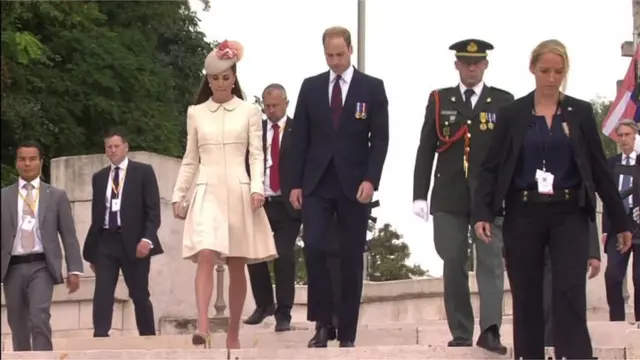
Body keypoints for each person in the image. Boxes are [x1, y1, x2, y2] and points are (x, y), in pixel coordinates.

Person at [473, 39, 633, 359]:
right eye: (544, 70)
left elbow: (600, 171)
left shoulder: (580, 112)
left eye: (558, 71)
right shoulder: (513, 114)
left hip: (569, 212)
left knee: (569, 293)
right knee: (527, 297)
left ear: (565, 73)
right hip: (523, 212)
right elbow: (490, 168)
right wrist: (483, 213)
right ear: (532, 69)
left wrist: (620, 220)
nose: (551, 78)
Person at [171, 40, 277, 349]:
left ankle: (233, 332)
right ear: (207, 79)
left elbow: (257, 155)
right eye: (214, 78)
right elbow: (190, 157)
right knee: (205, 254)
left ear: (234, 77)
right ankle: (202, 325)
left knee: (236, 263)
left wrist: (258, 188)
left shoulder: (250, 111)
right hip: (206, 190)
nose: (220, 83)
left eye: (225, 77)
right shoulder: (195, 113)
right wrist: (179, 194)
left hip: (239, 190)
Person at [289, 26, 389, 348]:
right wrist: (294, 184)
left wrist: (371, 179)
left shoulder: (371, 88)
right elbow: (298, 139)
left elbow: (380, 139)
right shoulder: (311, 87)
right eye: (329, 55)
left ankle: (346, 331)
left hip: (354, 185)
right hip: (317, 183)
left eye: (340, 54)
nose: (335, 61)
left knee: (349, 256)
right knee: (315, 247)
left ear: (350, 50)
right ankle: (321, 324)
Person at [412, 39, 513, 354]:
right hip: (449, 194)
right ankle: (461, 329)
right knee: (452, 258)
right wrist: (419, 194)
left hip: (489, 196)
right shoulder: (441, 99)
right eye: (465, 62)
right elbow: (426, 147)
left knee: (491, 264)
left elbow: (510, 153)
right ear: (457, 65)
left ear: (485, 65)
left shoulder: (503, 101)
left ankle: (491, 330)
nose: (471, 67)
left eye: (477, 62)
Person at [0, 141, 83, 351]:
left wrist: (74, 269)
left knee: (39, 316)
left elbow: (68, 235)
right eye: (22, 159)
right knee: (17, 323)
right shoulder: (4, 196)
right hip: (12, 267)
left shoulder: (55, 196)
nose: (27, 164)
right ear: (17, 163)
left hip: (41, 266)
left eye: (32, 159)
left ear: (41, 162)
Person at [83, 131, 164, 338]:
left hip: (134, 241)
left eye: (116, 146)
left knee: (139, 293)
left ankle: (147, 336)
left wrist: (147, 239)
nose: (113, 150)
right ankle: (100, 335)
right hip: (106, 241)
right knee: (103, 291)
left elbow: (153, 210)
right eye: (109, 147)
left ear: (126, 147)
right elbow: (97, 214)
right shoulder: (100, 177)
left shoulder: (143, 172)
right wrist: (93, 251)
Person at [244, 84, 302, 332]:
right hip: (262, 201)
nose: (270, 110)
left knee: (283, 256)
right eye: (266, 106)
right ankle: (264, 303)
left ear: (286, 104)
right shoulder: (257, 131)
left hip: (288, 203)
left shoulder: (299, 130)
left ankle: (284, 312)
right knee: (254, 254)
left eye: (275, 106)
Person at [602, 119, 639, 323]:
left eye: (627, 134)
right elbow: (607, 198)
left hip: (638, 226)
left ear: (635, 136)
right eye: (621, 135)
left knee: (639, 280)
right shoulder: (611, 164)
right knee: (613, 276)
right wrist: (605, 229)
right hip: (618, 227)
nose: (624, 139)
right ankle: (616, 321)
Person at [542, 221, 601, 346]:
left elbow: (587, 210)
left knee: (567, 300)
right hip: (536, 246)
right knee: (545, 301)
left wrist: (593, 253)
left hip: (570, 243)